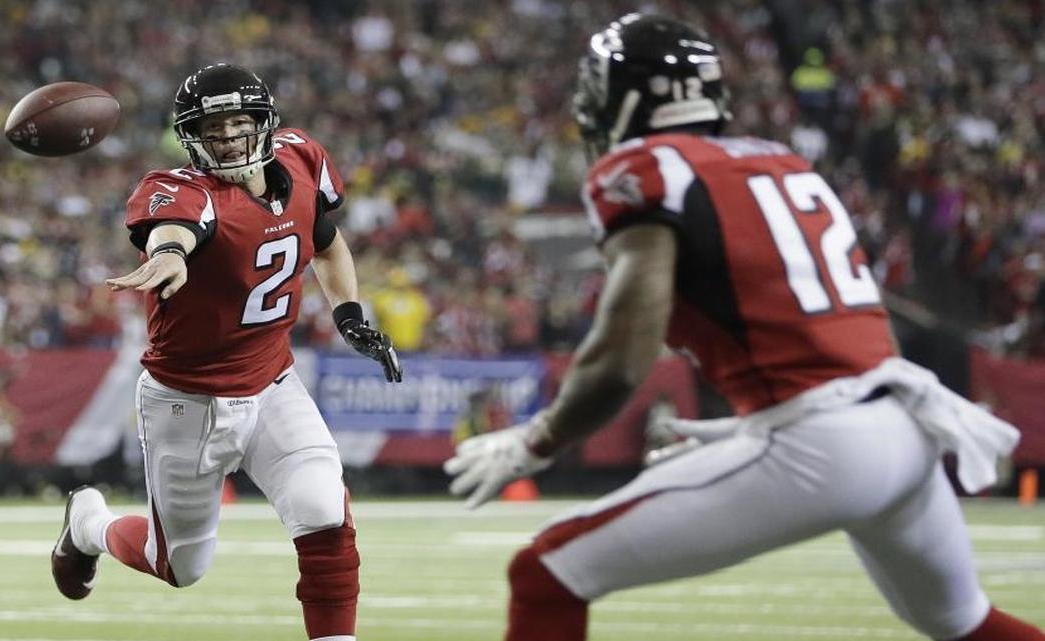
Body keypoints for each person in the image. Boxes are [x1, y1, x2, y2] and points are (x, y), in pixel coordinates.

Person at [444, 14, 1044, 641]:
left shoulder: (648, 172)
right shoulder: (780, 162)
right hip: (902, 423)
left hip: (823, 444)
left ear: (627, 98)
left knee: (545, 573)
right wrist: (755, 423)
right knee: (966, 623)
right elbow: (845, 330)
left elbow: (623, 352)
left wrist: (537, 441)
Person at [51, 63, 402, 641]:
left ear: (265, 124)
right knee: (179, 567)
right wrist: (170, 254)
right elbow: (175, 228)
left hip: (273, 382)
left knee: (324, 510)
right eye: (213, 131)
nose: (230, 140)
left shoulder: (303, 159)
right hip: (189, 402)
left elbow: (326, 242)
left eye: (240, 124)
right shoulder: (186, 190)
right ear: (192, 140)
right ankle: (89, 523)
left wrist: (348, 315)